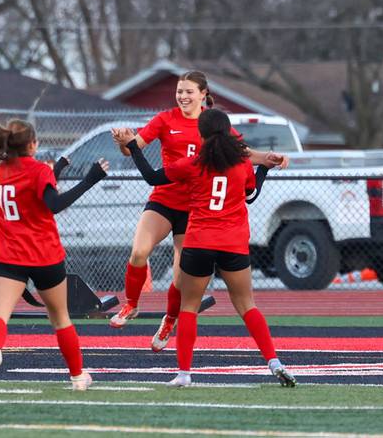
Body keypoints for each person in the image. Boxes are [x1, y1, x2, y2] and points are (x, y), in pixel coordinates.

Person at [109, 70, 288, 354]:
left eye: (189, 91)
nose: (183, 96)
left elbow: (239, 150)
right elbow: (134, 149)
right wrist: (124, 141)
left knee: (181, 279)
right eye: (179, 91)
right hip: (165, 199)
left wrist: (266, 158)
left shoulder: (213, 122)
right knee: (139, 252)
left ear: (203, 94)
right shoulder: (165, 119)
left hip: (196, 208)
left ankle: (169, 320)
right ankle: (131, 304)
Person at [0, 119, 109, 391]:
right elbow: (54, 203)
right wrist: (90, 179)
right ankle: (77, 377)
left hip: (9, 257)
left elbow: (31, 190)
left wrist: (58, 169)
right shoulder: (39, 170)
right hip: (45, 256)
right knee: (61, 319)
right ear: (32, 144)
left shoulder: (1, 171)